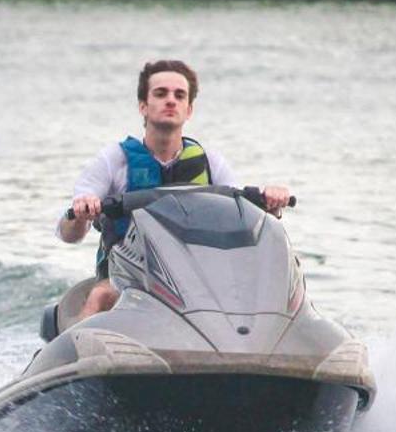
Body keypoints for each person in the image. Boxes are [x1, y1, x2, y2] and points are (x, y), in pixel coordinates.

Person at [58, 58, 291, 319]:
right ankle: (84, 351)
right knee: (101, 295)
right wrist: (81, 213)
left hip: (199, 278)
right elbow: (68, 234)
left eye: (179, 96)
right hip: (130, 275)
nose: (171, 100)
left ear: (189, 109)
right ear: (143, 106)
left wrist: (270, 205)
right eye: (161, 94)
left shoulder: (211, 163)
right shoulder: (113, 160)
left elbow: (241, 217)